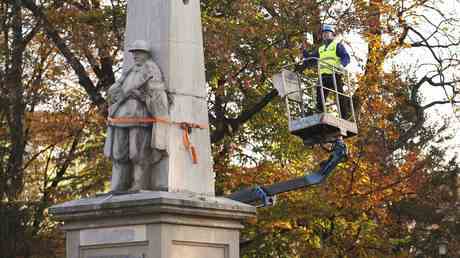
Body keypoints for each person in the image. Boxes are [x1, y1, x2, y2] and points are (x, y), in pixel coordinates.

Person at [104, 40, 169, 191]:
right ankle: (119, 184)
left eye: (138, 53)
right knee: (119, 152)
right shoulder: (130, 71)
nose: (135, 56)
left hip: (140, 117)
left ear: (146, 54)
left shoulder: (151, 70)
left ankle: (138, 183)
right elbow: (115, 90)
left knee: (137, 152)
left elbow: (157, 95)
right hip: (121, 116)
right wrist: (117, 94)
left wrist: (141, 95)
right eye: (134, 53)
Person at [302, 24, 351, 119]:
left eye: (327, 33)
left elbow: (346, 57)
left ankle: (344, 117)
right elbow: (311, 59)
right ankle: (320, 116)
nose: (325, 35)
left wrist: (342, 65)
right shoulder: (321, 49)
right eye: (324, 33)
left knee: (339, 97)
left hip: (334, 75)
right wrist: (304, 51)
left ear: (332, 35)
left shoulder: (337, 46)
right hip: (323, 76)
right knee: (320, 97)